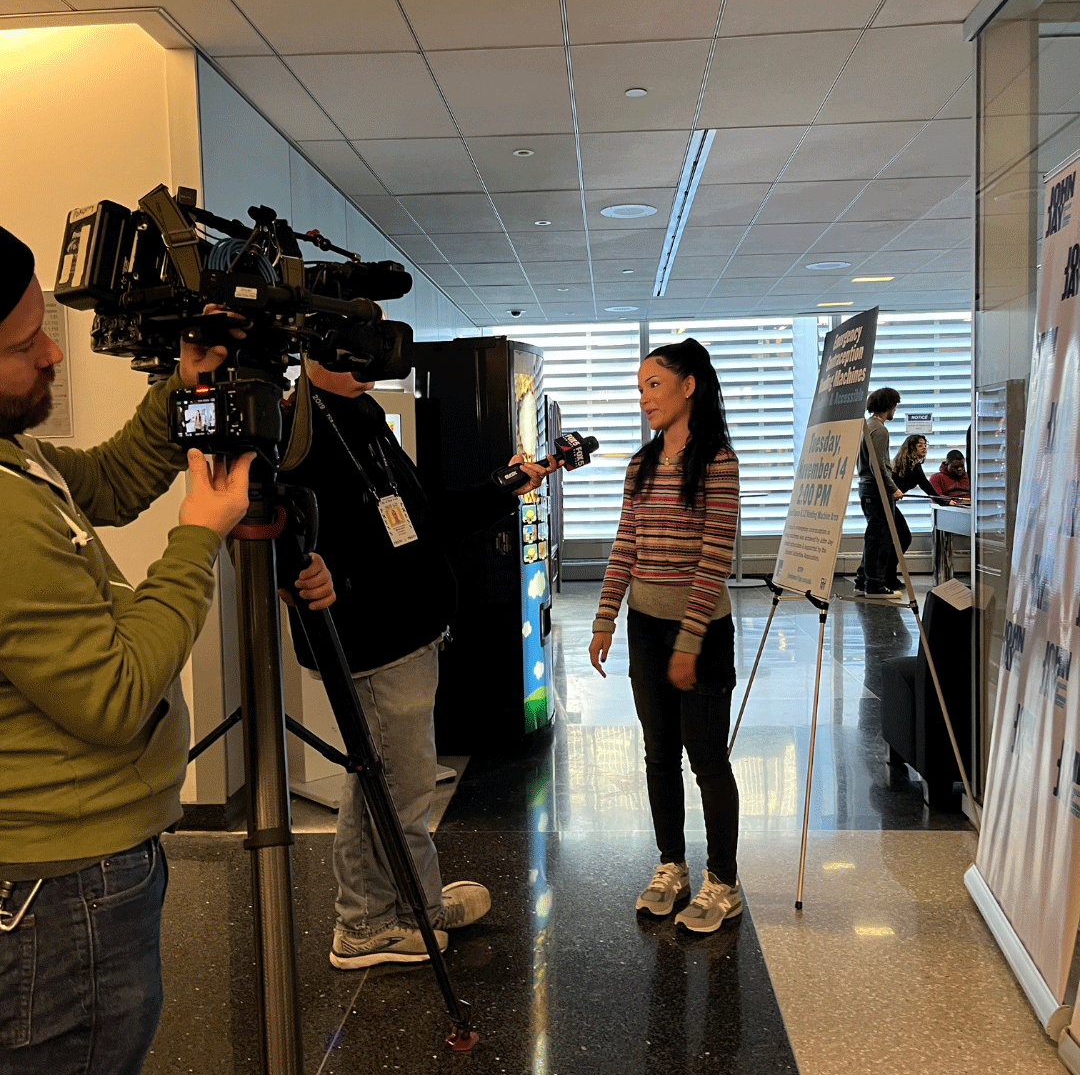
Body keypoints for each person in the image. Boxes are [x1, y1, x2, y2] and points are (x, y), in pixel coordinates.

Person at [0, 226, 335, 1073]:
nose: (52, 355)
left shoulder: (14, 461)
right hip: (58, 886)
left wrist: (176, 392)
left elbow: (107, 484)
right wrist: (197, 537)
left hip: (68, 864)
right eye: (22, 344)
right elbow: (115, 700)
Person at [279, 355, 557, 969]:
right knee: (394, 789)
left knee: (384, 780)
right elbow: (264, 522)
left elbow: (420, 515)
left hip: (409, 634)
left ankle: (405, 906)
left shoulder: (360, 412)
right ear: (311, 347)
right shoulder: (293, 426)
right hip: (372, 642)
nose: (370, 357)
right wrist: (295, 572)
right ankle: (373, 923)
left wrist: (503, 486)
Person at [588, 337, 741, 933]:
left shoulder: (719, 463)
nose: (645, 398)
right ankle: (671, 865)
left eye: (654, 384)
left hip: (700, 630)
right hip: (645, 628)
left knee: (706, 758)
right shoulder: (640, 464)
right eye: (640, 388)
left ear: (689, 386)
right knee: (658, 755)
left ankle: (723, 882)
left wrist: (689, 641)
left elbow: (714, 558)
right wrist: (605, 618)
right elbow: (626, 545)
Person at [853, 387, 904, 601]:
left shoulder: (865, 426)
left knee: (873, 536)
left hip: (866, 488)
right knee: (880, 538)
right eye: (895, 406)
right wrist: (893, 489)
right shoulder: (880, 430)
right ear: (888, 406)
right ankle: (874, 585)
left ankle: (862, 580)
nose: (895, 411)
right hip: (877, 490)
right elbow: (879, 466)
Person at [884, 434, 952, 590]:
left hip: (887, 504)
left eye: (925, 444)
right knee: (903, 537)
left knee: (898, 538)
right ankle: (888, 577)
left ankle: (888, 576)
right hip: (885, 504)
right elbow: (926, 486)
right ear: (911, 448)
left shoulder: (908, 464)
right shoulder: (912, 465)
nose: (924, 447)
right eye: (920, 445)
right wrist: (944, 501)